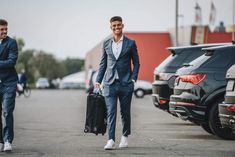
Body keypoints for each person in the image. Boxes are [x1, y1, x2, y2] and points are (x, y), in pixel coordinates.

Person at [95, 16, 140, 150]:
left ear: (122, 26)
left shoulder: (130, 43)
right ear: (111, 27)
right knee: (111, 112)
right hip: (109, 84)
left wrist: (133, 79)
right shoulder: (106, 43)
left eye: (119, 25)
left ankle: (125, 137)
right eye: (114, 25)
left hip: (126, 83)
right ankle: (111, 140)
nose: (116, 27)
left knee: (125, 112)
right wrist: (98, 80)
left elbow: (136, 63)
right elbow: (103, 64)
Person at [0, 19, 19, 152]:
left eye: (6, 29)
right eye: (2, 29)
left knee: (7, 111)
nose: (5, 31)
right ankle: (1, 140)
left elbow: (11, 61)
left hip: (9, 83)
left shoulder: (11, 43)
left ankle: (7, 140)